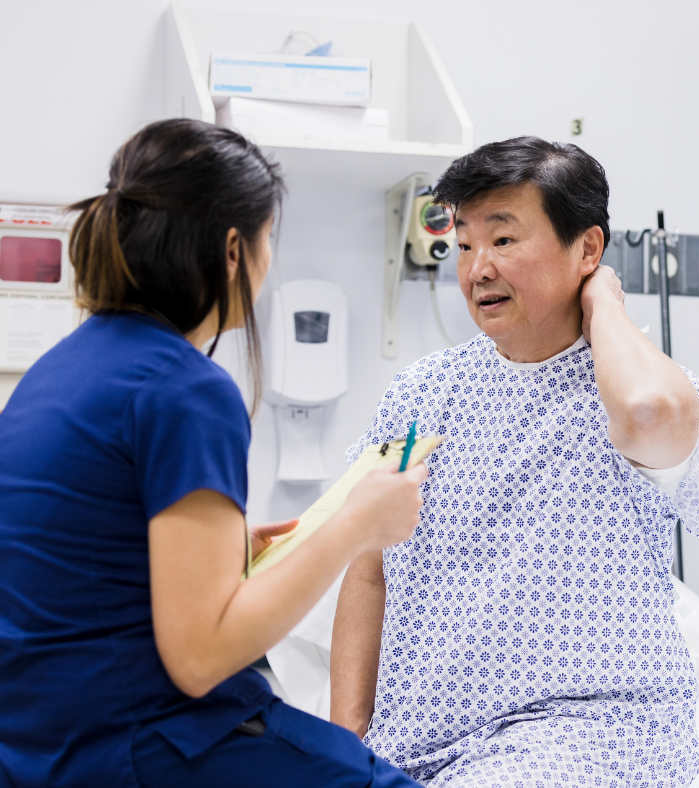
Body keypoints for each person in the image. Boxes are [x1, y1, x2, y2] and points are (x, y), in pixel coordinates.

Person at [0, 119, 427, 788]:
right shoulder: (183, 388)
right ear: (234, 248)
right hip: (130, 745)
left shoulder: (60, 371)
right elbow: (200, 659)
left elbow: (85, 566)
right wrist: (356, 526)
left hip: (38, 740)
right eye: (268, 239)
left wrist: (230, 557)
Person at [330, 137, 699, 788]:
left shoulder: (632, 393)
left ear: (588, 249)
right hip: (420, 738)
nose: (477, 268)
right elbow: (368, 568)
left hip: (591, 731)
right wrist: (347, 739)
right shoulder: (420, 394)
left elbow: (651, 414)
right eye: (464, 245)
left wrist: (604, 301)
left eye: (504, 240)